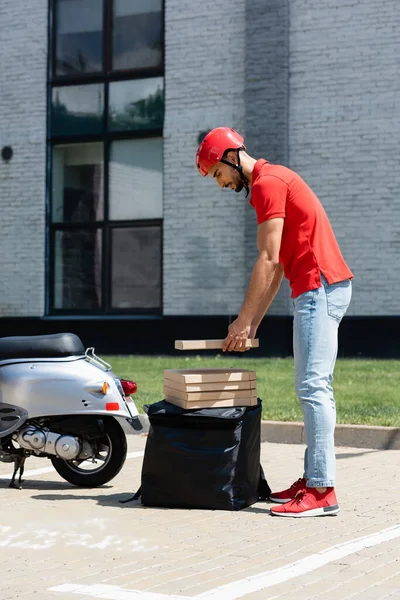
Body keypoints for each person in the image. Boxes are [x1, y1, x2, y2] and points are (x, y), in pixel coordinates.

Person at [195, 127, 353, 517]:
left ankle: (321, 490)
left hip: (319, 287)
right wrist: (252, 324)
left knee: (314, 387)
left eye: (218, 174)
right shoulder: (274, 180)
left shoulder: (267, 184)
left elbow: (267, 259)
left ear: (232, 157)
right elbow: (280, 265)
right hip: (317, 286)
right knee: (312, 386)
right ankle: (314, 477)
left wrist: (241, 321)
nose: (221, 184)